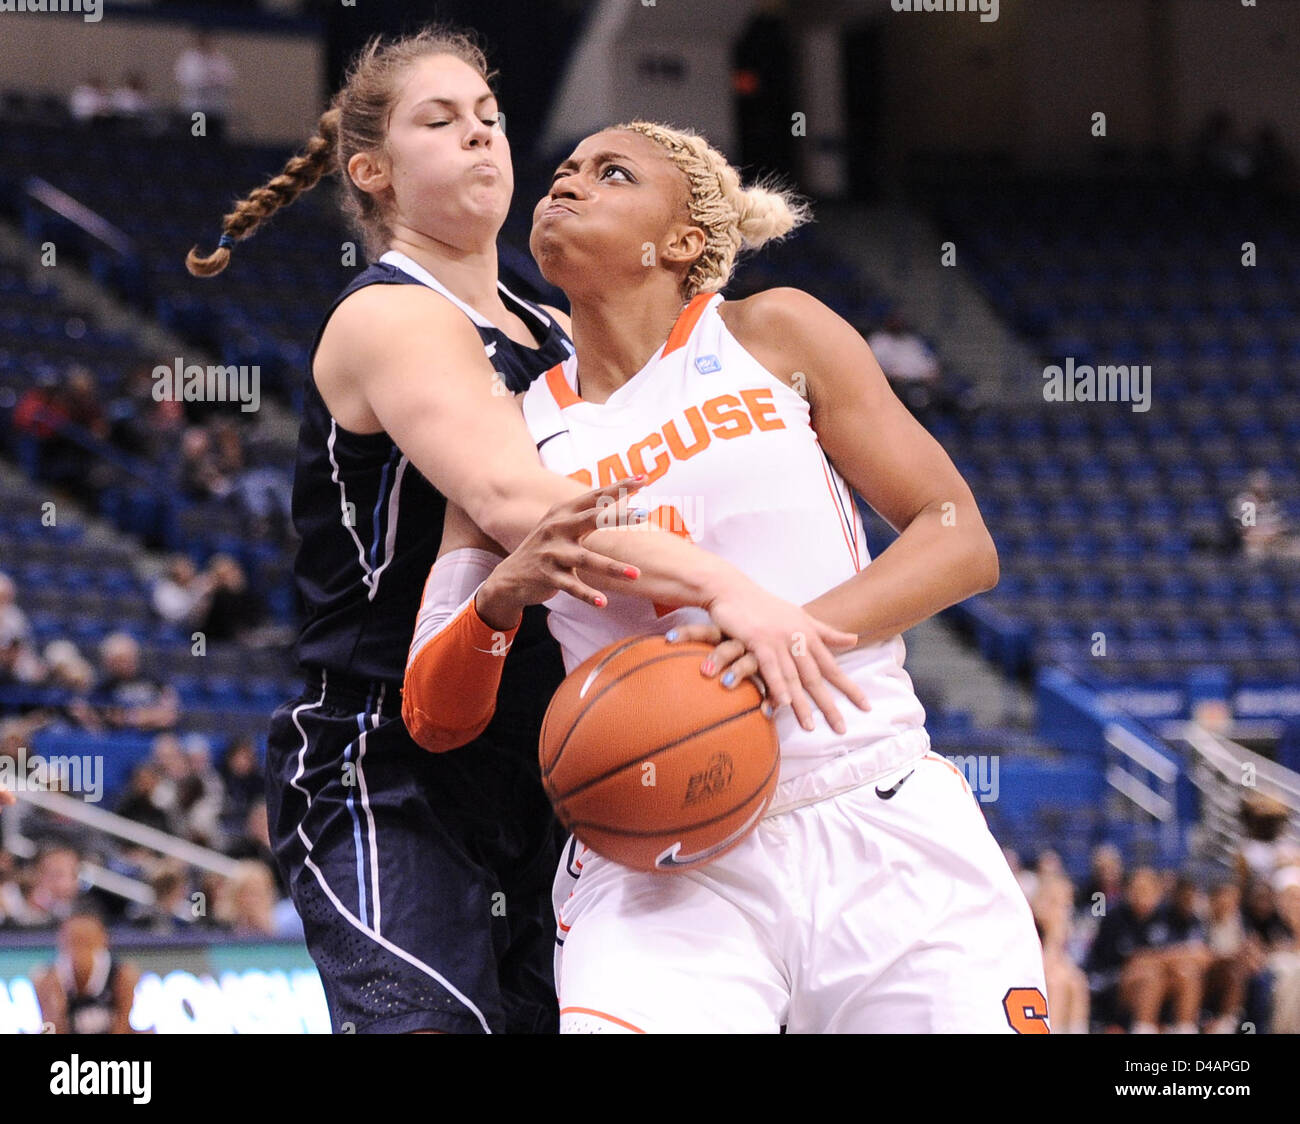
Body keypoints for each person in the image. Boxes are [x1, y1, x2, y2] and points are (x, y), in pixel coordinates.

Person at [185, 25, 848, 1037]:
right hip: (391, 756)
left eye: (490, 117)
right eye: (440, 121)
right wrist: (733, 591)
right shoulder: (389, 317)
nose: (481, 136)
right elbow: (520, 505)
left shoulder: (549, 329)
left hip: (553, 758)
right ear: (374, 169)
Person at [404, 120, 1048, 1034]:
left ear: (682, 242)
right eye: (563, 172)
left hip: (872, 803)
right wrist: (500, 601)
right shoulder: (505, 436)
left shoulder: (775, 331)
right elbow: (435, 715)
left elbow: (957, 538)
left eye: (611, 173)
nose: (567, 185)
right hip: (653, 855)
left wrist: (790, 627)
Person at [32, 908, 140, 1034]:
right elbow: (48, 1029)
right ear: (61, 942)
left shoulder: (122, 975)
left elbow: (125, 1027)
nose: (80, 949)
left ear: (103, 940)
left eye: (86, 941)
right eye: (74, 941)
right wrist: (56, 1013)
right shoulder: (46, 979)